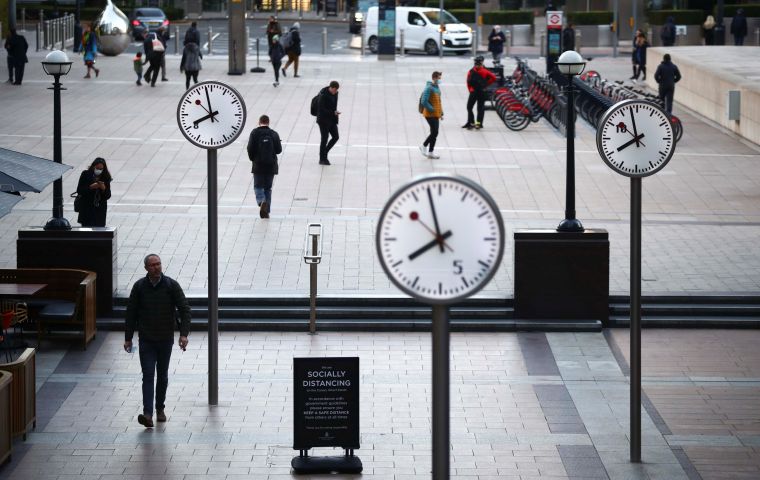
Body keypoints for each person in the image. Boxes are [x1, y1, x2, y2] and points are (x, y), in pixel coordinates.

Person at [124, 254, 191, 429]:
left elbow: (185, 309)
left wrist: (183, 334)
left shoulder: (170, 285)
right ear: (146, 268)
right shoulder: (139, 287)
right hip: (146, 340)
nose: (157, 267)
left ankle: (160, 408)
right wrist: (128, 338)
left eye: (159, 264)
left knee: (162, 376)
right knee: (147, 375)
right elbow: (131, 313)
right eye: (153, 265)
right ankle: (148, 414)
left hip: (164, 339)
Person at [246, 115, 283, 219]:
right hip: (271, 166)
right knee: (268, 188)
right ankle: (266, 211)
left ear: (259, 122)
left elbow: (250, 148)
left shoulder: (254, 133)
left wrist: (253, 159)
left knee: (258, 186)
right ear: (268, 122)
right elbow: (279, 150)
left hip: (258, 165)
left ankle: (262, 201)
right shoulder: (273, 134)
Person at [76, 157, 112, 227]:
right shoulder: (85, 174)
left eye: (101, 169)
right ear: (93, 166)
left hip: (99, 212)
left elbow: (108, 195)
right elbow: (79, 190)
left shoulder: (105, 177)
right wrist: (90, 187)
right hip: (86, 210)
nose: (99, 170)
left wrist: (103, 188)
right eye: (97, 168)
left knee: (98, 234)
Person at [462, 56, 496, 130]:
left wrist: (470, 89)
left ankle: (472, 122)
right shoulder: (485, 71)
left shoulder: (471, 71)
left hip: (473, 91)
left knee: (469, 107)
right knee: (480, 108)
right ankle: (478, 124)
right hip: (481, 91)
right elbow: (494, 78)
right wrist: (486, 84)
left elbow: (468, 81)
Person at [419, 71, 443, 159]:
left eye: (440, 78)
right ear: (434, 78)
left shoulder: (437, 87)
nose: (440, 80)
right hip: (430, 114)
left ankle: (430, 152)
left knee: (434, 133)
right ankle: (424, 146)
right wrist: (432, 109)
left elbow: (438, 101)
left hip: (436, 113)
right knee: (435, 132)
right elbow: (424, 101)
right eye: (438, 78)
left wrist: (441, 111)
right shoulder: (429, 88)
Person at [316, 80, 341, 165]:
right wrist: (332, 112)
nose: (335, 92)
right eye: (335, 90)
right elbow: (321, 109)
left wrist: (335, 112)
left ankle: (324, 152)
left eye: (336, 90)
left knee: (336, 137)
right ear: (331, 88)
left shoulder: (336, 93)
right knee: (324, 138)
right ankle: (322, 159)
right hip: (323, 120)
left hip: (332, 119)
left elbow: (334, 106)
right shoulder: (323, 95)